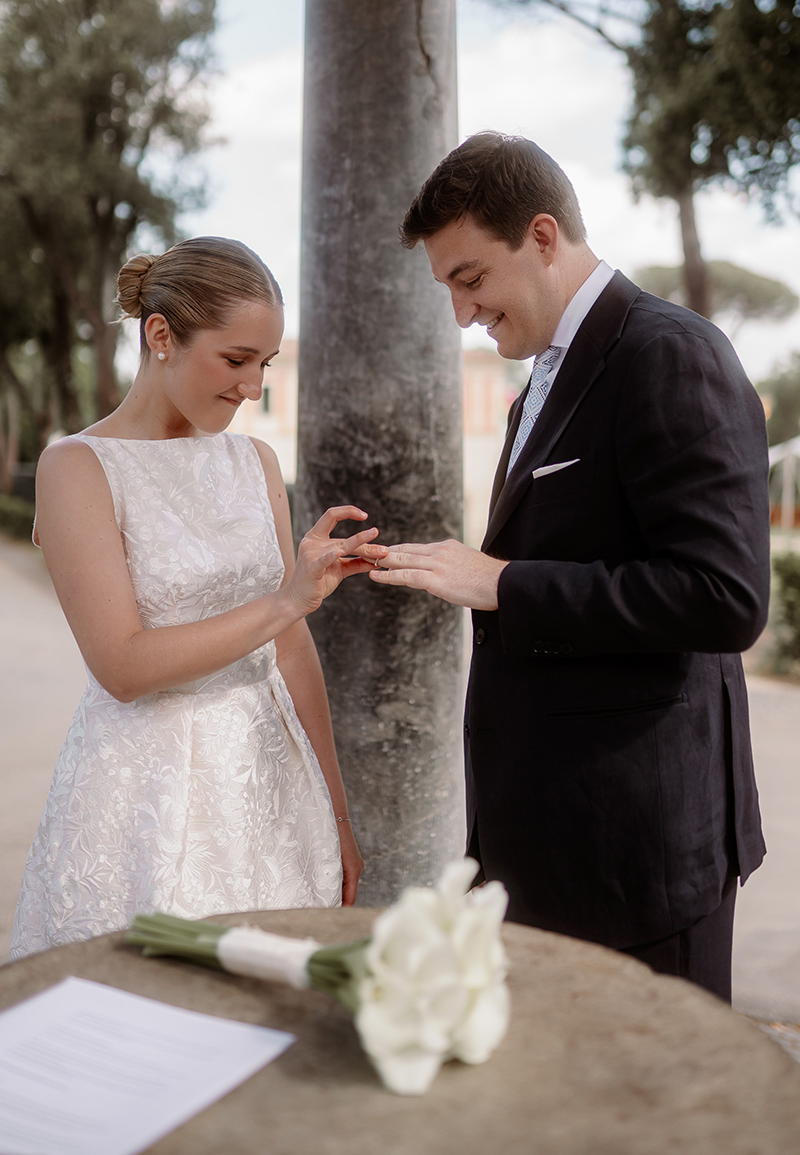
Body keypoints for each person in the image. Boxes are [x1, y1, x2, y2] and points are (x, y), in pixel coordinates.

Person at [369, 132, 770, 1001]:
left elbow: (725, 597)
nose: (461, 313)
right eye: (448, 288)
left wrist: (501, 583)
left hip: (642, 853)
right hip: (553, 847)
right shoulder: (538, 383)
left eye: (470, 279)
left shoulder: (672, 353)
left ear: (543, 238)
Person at [11, 236, 386, 959]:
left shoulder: (255, 461)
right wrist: (285, 601)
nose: (254, 387)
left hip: (274, 786)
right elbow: (121, 666)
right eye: (236, 360)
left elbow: (295, 646)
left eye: (265, 365)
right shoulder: (78, 468)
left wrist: (336, 814)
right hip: (145, 796)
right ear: (161, 337)